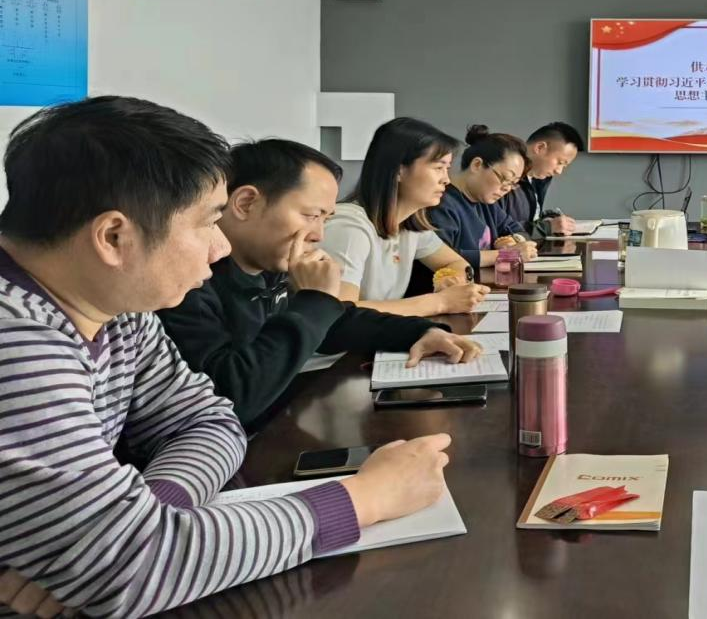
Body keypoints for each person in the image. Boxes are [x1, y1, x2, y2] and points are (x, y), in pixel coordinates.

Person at [0, 96, 450, 618]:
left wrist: (123, 529)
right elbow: (134, 565)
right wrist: (364, 499)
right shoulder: (17, 337)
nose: (219, 248)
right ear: (114, 237)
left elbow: (210, 419)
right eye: (205, 223)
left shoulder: (117, 310)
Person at [159, 139, 483, 432]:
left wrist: (421, 332)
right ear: (245, 203)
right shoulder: (187, 283)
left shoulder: (269, 268)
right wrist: (313, 301)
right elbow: (230, 398)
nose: (318, 236)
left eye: (324, 220)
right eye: (311, 216)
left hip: (280, 424)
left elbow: (336, 321)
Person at [320, 117, 490, 317]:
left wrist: (450, 280)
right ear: (398, 170)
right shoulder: (349, 227)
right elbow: (338, 314)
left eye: (447, 169)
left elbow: (458, 263)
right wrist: (440, 302)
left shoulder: (409, 226)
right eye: (438, 168)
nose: (446, 179)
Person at [426, 125, 539, 269]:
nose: (506, 188)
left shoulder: (487, 204)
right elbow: (443, 258)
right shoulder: (440, 204)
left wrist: (513, 240)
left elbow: (519, 230)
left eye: (512, 183)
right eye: (504, 178)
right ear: (477, 165)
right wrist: (505, 254)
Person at [500, 121, 585, 237]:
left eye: (564, 166)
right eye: (560, 162)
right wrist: (546, 227)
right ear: (540, 148)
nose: (559, 171)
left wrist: (549, 219)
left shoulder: (539, 178)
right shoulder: (504, 178)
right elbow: (499, 230)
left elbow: (528, 219)